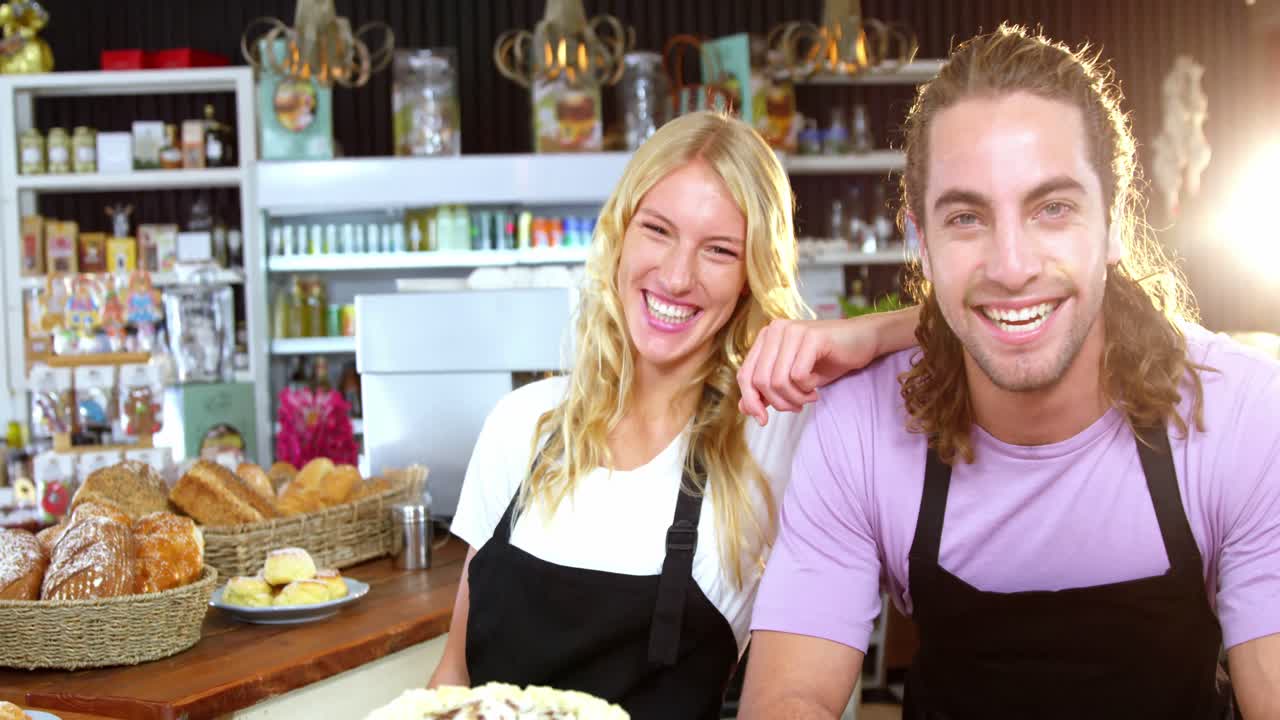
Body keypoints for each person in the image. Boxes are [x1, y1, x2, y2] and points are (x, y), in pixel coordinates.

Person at [741, 24, 1280, 720]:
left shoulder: (1240, 417)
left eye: (1052, 208)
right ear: (921, 245)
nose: (1012, 264)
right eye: (966, 217)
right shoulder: (860, 423)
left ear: (1113, 223)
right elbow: (790, 699)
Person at [426, 110, 916, 719]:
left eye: (718, 250)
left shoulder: (777, 430)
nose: (677, 276)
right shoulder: (521, 425)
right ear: (621, 233)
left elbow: (976, 330)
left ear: (749, 277)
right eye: (658, 230)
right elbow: (453, 677)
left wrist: (866, 335)